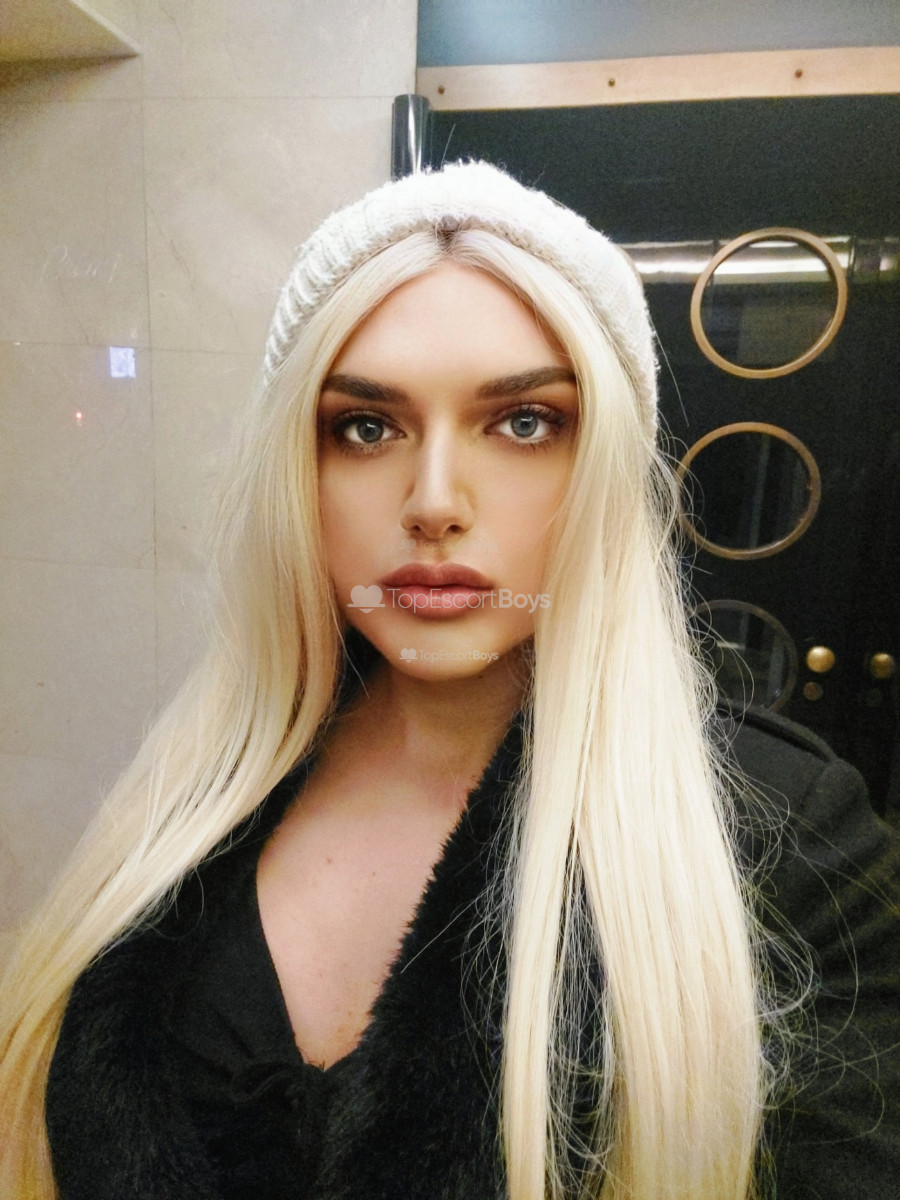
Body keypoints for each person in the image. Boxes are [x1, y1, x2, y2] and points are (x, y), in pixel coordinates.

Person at [0, 161, 897, 1200]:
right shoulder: (191, 790)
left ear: (605, 466)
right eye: (365, 427)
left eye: (525, 423)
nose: (432, 503)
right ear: (301, 469)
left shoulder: (786, 839)